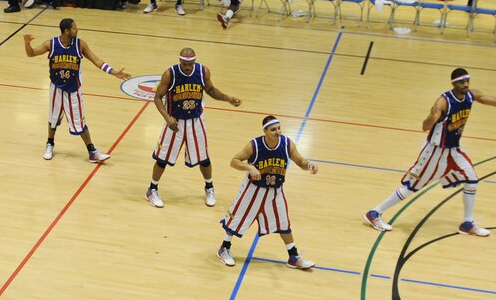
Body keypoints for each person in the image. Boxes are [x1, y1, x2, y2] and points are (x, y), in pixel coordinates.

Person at [365, 68, 496, 237]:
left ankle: (467, 224)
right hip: (434, 151)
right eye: (462, 82)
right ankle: (375, 213)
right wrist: (433, 117)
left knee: (471, 181)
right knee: (411, 187)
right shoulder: (443, 102)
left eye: (467, 81)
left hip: (453, 150)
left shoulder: (472, 95)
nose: (465, 84)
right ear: (454, 83)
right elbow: (424, 127)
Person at [23, 18, 131, 163]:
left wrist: (113, 72)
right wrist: (27, 44)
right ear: (66, 31)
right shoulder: (51, 44)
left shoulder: (80, 45)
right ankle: (50, 144)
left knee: (80, 122)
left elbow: (97, 60)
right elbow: (31, 53)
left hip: (73, 90)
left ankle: (92, 152)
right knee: (53, 118)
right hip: (56, 88)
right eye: (74, 28)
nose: (77, 30)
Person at [216, 116, 318, 268]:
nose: (278, 132)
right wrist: (250, 167)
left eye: (279, 128)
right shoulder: (254, 145)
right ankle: (224, 249)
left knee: (283, 223)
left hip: (275, 191)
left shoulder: (286, 143)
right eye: (273, 129)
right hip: (253, 189)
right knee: (236, 220)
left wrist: (309, 165)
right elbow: (234, 161)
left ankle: (293, 257)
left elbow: (299, 160)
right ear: (265, 131)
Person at [145, 47, 242, 208]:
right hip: (174, 121)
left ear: (194, 61)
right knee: (162, 159)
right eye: (184, 64)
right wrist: (167, 118)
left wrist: (228, 98)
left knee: (204, 158)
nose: (187, 67)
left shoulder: (203, 72)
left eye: (190, 64)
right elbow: (157, 98)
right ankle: (152, 190)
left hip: (196, 121)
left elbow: (211, 90)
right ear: (180, 61)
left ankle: (209, 188)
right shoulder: (170, 74)